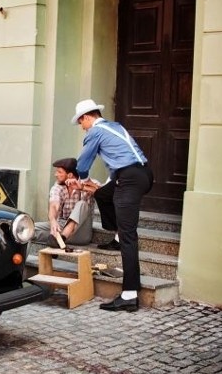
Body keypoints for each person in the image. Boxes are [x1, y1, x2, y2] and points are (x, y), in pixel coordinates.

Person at [72, 99, 153, 312]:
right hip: (141, 175)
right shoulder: (115, 126)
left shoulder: (94, 133)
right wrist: (99, 185)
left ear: (87, 117)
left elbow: (82, 164)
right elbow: (119, 164)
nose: (82, 127)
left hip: (129, 179)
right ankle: (116, 236)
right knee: (103, 194)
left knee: (130, 236)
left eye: (81, 122)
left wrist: (82, 179)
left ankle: (129, 295)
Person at [34, 157, 101, 247]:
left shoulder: (87, 183)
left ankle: (61, 239)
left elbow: (104, 193)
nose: (55, 174)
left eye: (59, 172)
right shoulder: (58, 187)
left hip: (81, 232)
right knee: (29, 229)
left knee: (82, 204)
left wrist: (82, 188)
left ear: (69, 175)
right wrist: (53, 221)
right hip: (62, 226)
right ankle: (58, 240)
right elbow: (54, 205)